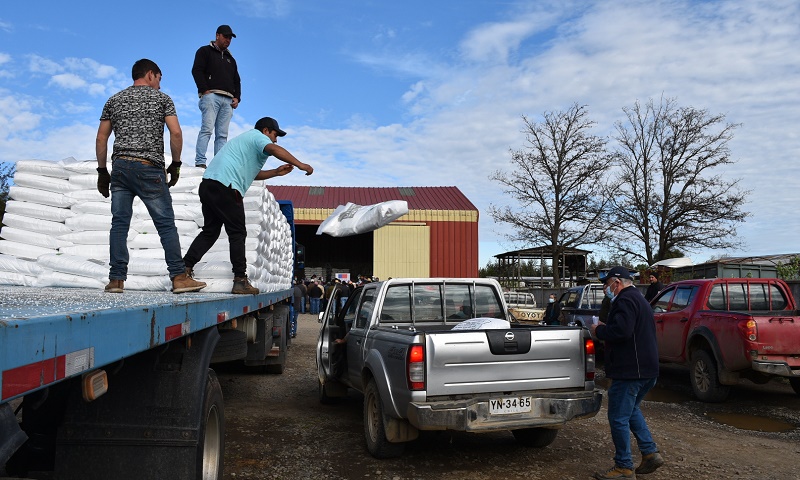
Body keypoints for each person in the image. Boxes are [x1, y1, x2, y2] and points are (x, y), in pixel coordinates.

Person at [96, 58, 206, 295]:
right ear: (150, 74)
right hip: (149, 168)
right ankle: (178, 277)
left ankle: (116, 280)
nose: (159, 84)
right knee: (165, 224)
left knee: (119, 224)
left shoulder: (114, 100)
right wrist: (176, 164)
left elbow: (101, 138)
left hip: (121, 169)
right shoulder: (162, 99)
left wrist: (102, 171)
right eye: (159, 79)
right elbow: (175, 133)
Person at [182, 116, 313, 294]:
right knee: (237, 232)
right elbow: (273, 148)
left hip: (209, 185)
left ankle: (184, 269)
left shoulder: (243, 142)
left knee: (210, 231)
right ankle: (240, 280)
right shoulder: (258, 136)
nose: (275, 138)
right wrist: (301, 165)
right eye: (275, 134)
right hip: (227, 187)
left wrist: (275, 172)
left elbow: (252, 173)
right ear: (266, 130)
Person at [590, 266, 664, 479]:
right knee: (631, 411)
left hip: (631, 370)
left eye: (606, 284)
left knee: (618, 417)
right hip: (647, 370)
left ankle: (624, 466)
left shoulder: (624, 300)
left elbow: (622, 331)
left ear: (616, 282)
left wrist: (600, 330)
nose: (606, 288)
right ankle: (650, 453)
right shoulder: (638, 299)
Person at [191, 24, 241, 168]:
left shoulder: (231, 59)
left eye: (230, 38)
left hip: (228, 99)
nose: (228, 40)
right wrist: (205, 90)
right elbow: (197, 70)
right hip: (211, 96)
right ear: (217, 35)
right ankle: (200, 162)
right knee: (207, 129)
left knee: (222, 135)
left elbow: (237, 80)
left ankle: (219, 165)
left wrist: (237, 97)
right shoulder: (204, 51)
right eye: (226, 36)